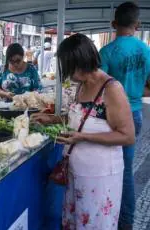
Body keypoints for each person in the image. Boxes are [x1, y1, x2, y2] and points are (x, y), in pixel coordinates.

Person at [31, 33, 135, 229]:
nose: (67, 73)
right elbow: (82, 118)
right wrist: (53, 119)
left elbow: (127, 135)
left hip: (100, 175)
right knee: (76, 222)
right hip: (76, 170)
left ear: (80, 62)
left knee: (94, 223)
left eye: (68, 66)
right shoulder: (82, 85)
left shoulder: (111, 89)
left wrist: (83, 137)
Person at [99, 2, 150, 229]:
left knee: (105, 168)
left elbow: (99, 90)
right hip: (135, 116)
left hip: (110, 118)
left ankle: (102, 214)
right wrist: (136, 93)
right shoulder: (146, 51)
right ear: (137, 25)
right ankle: (125, 223)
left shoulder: (107, 52)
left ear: (113, 24)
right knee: (126, 172)